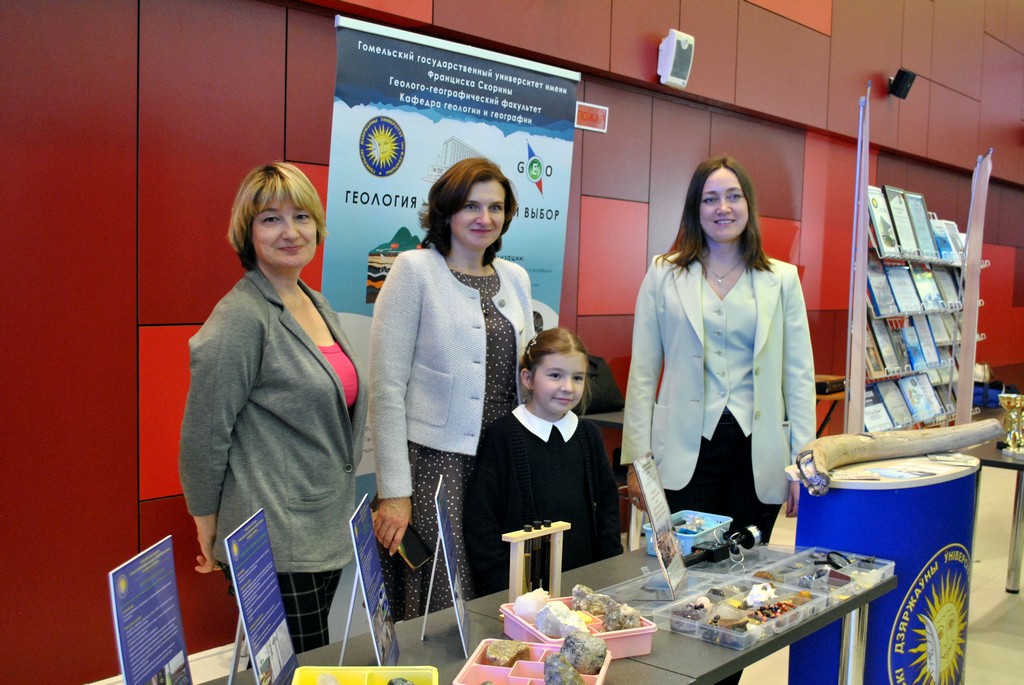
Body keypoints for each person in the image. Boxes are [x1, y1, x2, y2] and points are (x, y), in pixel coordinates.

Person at [179, 162, 366, 652]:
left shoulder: (314, 302)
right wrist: (206, 525)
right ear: (248, 232)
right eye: (270, 219)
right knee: (295, 668)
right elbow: (204, 434)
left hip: (321, 524)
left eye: (301, 216)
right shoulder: (241, 317)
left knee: (296, 661)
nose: (290, 231)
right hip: (273, 535)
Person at [369, 157, 535, 619]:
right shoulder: (414, 270)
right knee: (443, 593)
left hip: (503, 460)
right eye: (471, 206)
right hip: (438, 468)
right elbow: (386, 389)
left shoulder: (516, 278)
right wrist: (394, 492)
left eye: (495, 207)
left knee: (504, 582)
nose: (485, 218)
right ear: (446, 211)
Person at [622, 155, 816, 545]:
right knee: (685, 565)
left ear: (749, 205)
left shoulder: (782, 279)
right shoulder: (664, 273)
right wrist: (637, 463)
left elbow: (799, 377)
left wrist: (803, 466)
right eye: (710, 199)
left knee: (749, 566)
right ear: (695, 208)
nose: (722, 208)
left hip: (757, 454)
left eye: (733, 196)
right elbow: (643, 373)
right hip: (683, 453)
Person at [463, 328, 624, 596]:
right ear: (528, 378)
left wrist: (609, 571)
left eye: (577, 377)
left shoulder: (588, 435)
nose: (568, 387)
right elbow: (481, 519)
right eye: (555, 375)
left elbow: (607, 508)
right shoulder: (503, 435)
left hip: (583, 584)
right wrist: (504, 584)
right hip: (520, 594)